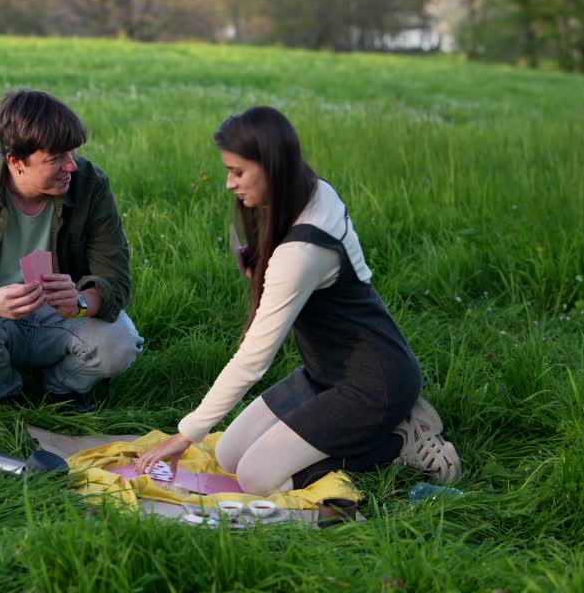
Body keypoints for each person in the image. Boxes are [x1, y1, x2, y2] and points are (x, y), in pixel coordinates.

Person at [133, 106, 461, 493]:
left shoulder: (302, 252)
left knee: (257, 477)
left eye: (238, 172)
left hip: (373, 383)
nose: (229, 184)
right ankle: (372, 427)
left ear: (272, 167)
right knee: (230, 455)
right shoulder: (313, 191)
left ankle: (399, 442)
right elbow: (357, 275)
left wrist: (185, 435)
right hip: (324, 372)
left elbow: (254, 359)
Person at [0, 89, 144, 411]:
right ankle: (2, 396)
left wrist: (81, 301)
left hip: (63, 314)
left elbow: (116, 277)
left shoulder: (91, 185)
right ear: (16, 161)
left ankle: (61, 390)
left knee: (120, 344)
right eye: (55, 159)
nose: (71, 167)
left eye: (72, 153)